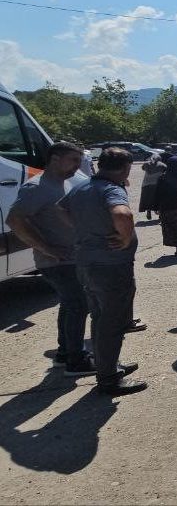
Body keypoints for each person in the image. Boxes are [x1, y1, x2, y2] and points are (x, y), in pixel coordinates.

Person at [61, 147, 147, 395]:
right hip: (111, 266)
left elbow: (61, 209)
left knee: (99, 318)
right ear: (125, 168)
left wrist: (85, 230)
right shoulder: (111, 188)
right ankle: (109, 378)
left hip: (87, 263)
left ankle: (106, 365)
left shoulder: (81, 188)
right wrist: (125, 238)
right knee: (113, 322)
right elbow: (122, 213)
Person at [5, 141, 94, 376]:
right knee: (78, 304)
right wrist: (46, 248)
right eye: (74, 160)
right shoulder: (36, 187)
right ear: (55, 159)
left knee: (70, 304)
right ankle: (76, 360)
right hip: (57, 261)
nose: (78, 165)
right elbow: (15, 220)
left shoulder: (66, 181)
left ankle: (65, 354)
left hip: (75, 257)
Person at [138, 153, 166, 220]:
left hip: (146, 184)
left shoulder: (146, 164)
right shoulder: (163, 165)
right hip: (157, 185)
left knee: (147, 199)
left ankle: (148, 211)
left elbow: (143, 168)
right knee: (159, 199)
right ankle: (160, 214)